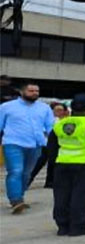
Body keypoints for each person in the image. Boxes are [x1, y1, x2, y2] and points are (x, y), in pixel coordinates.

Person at [45, 94, 85, 236]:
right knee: (81, 195)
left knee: (61, 195)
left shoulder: (60, 124)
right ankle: (78, 226)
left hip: (62, 164)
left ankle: (63, 226)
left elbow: (51, 147)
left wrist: (54, 164)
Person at [0, 82, 55, 214]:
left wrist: (53, 141)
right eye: (31, 91)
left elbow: (50, 126)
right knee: (16, 171)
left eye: (37, 91)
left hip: (36, 144)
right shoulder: (6, 107)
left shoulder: (44, 108)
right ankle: (15, 200)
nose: (35, 93)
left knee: (27, 173)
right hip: (13, 143)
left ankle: (20, 196)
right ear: (22, 92)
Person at [29, 102, 68, 189]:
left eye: (61, 110)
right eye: (56, 110)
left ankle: (50, 182)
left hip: (58, 144)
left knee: (53, 163)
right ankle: (29, 179)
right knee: (40, 162)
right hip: (46, 143)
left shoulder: (65, 121)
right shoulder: (48, 120)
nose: (59, 112)